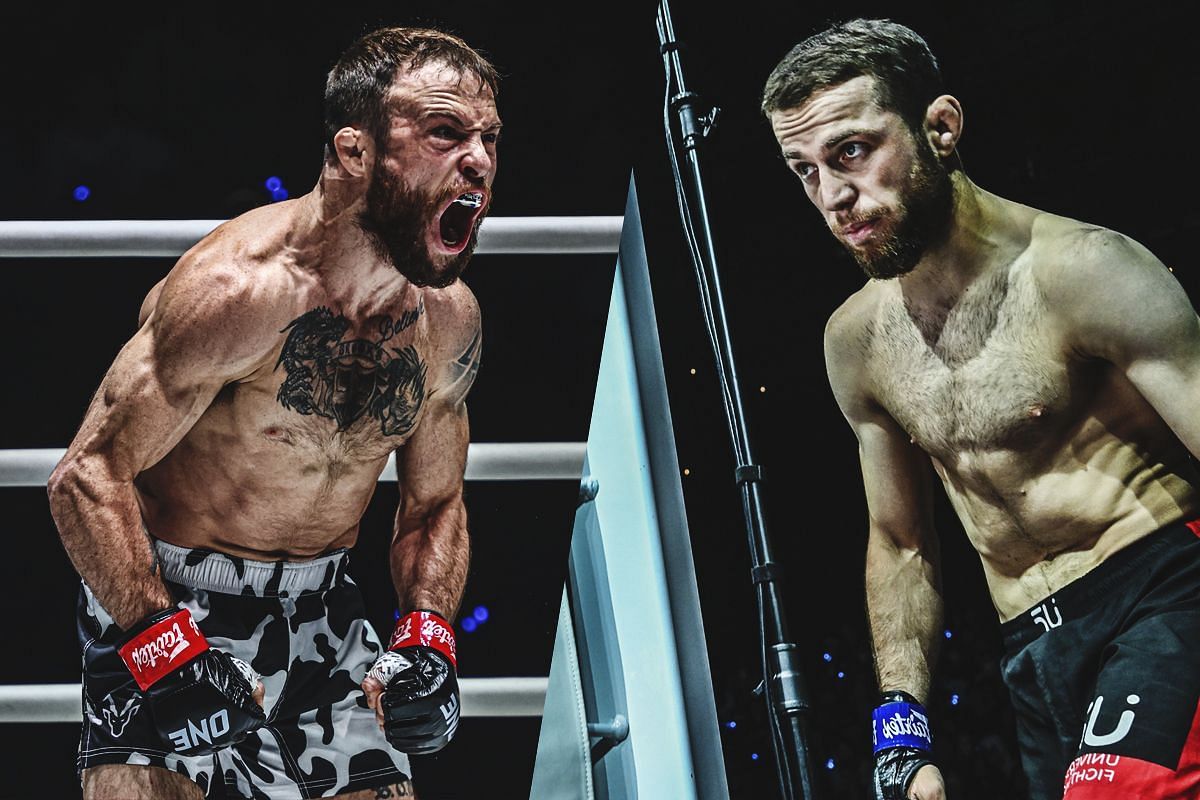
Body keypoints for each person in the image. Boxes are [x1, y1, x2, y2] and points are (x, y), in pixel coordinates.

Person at [46, 25, 499, 800]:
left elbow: (434, 503)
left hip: (326, 607)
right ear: (355, 152)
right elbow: (85, 477)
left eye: (489, 138)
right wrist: (160, 646)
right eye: (444, 133)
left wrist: (428, 634)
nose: (480, 161)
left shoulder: (447, 321)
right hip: (167, 597)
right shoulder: (237, 293)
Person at [762, 18, 1200, 800]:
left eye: (852, 152)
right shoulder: (856, 341)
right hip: (1031, 650)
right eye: (805, 170)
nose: (832, 196)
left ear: (940, 127)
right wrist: (900, 728)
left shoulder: (1083, 271)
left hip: (1165, 589)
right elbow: (901, 544)